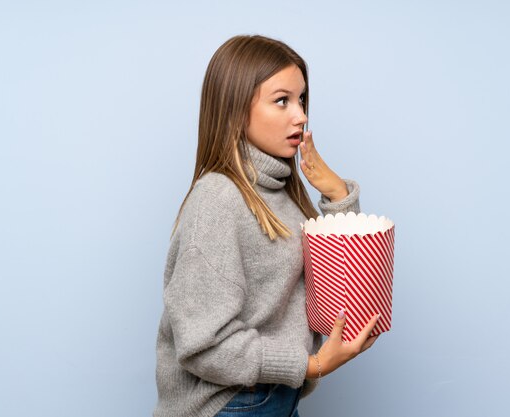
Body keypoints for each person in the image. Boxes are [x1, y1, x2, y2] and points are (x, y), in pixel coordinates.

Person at [154, 34, 380, 417]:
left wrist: (338, 194)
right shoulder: (219, 199)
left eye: (302, 99)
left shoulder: (283, 194)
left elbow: (344, 276)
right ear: (237, 109)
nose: (302, 115)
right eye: (282, 101)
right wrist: (312, 365)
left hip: (272, 398)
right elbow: (203, 345)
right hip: (229, 405)